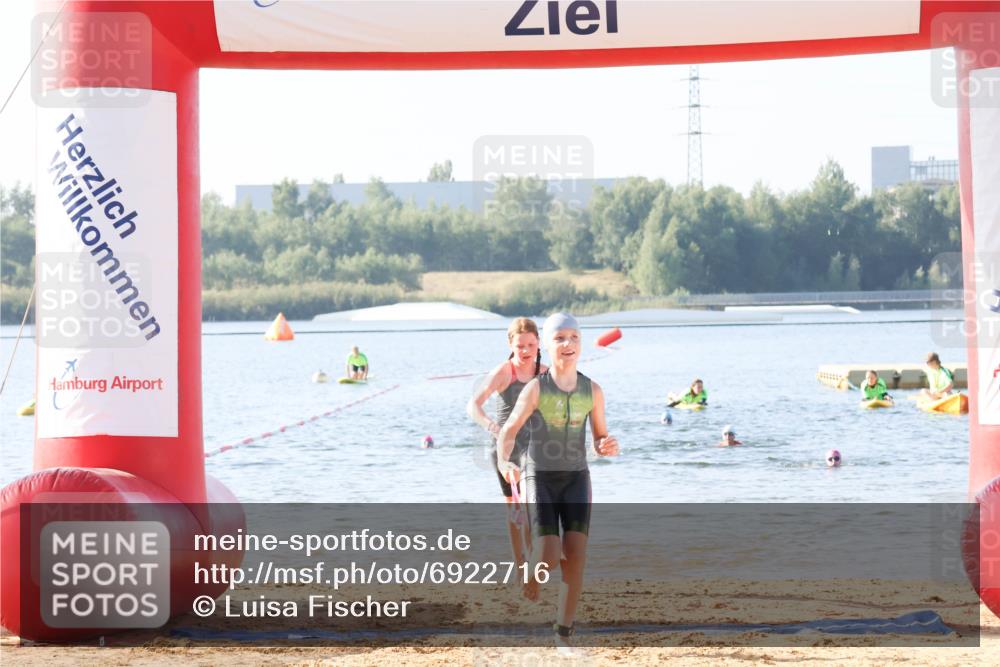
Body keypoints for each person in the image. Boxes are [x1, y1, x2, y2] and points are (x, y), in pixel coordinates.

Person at [498, 312, 620, 650]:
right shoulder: (536, 388)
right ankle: (531, 572)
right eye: (560, 338)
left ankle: (563, 631)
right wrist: (504, 461)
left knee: (576, 556)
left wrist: (605, 446)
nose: (568, 344)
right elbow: (508, 432)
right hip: (540, 475)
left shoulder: (592, 390)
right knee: (550, 556)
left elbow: (599, 437)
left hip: (577, 477)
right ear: (546, 347)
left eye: (574, 338)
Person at [467, 317, 547, 570]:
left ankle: (534, 558)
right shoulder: (504, 372)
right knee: (516, 507)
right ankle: (521, 563)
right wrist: (493, 427)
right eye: (520, 345)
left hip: (536, 449)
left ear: (538, 344)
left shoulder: (545, 373)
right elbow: (473, 406)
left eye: (530, 345)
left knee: (532, 505)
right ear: (510, 344)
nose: (525, 351)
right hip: (507, 450)